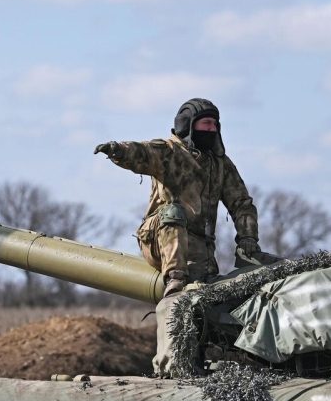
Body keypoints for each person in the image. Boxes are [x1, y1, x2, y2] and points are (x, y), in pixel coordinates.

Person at [94, 98, 263, 296]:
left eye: (215, 124)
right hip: (160, 239)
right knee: (173, 211)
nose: (212, 129)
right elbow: (142, 152)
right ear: (188, 125)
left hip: (201, 250)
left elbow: (241, 203)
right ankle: (174, 278)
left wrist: (248, 238)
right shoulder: (168, 152)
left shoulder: (220, 165)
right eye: (206, 123)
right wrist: (118, 150)